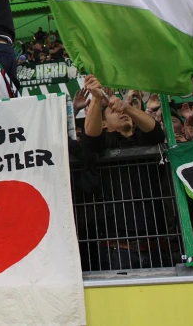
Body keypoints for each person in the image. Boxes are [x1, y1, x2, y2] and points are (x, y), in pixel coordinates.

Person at [79, 74, 169, 270]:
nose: (120, 111)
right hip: (118, 250)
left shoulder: (143, 138)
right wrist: (95, 98)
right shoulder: (106, 142)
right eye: (112, 111)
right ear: (104, 124)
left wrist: (126, 106)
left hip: (156, 246)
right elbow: (91, 136)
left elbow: (157, 132)